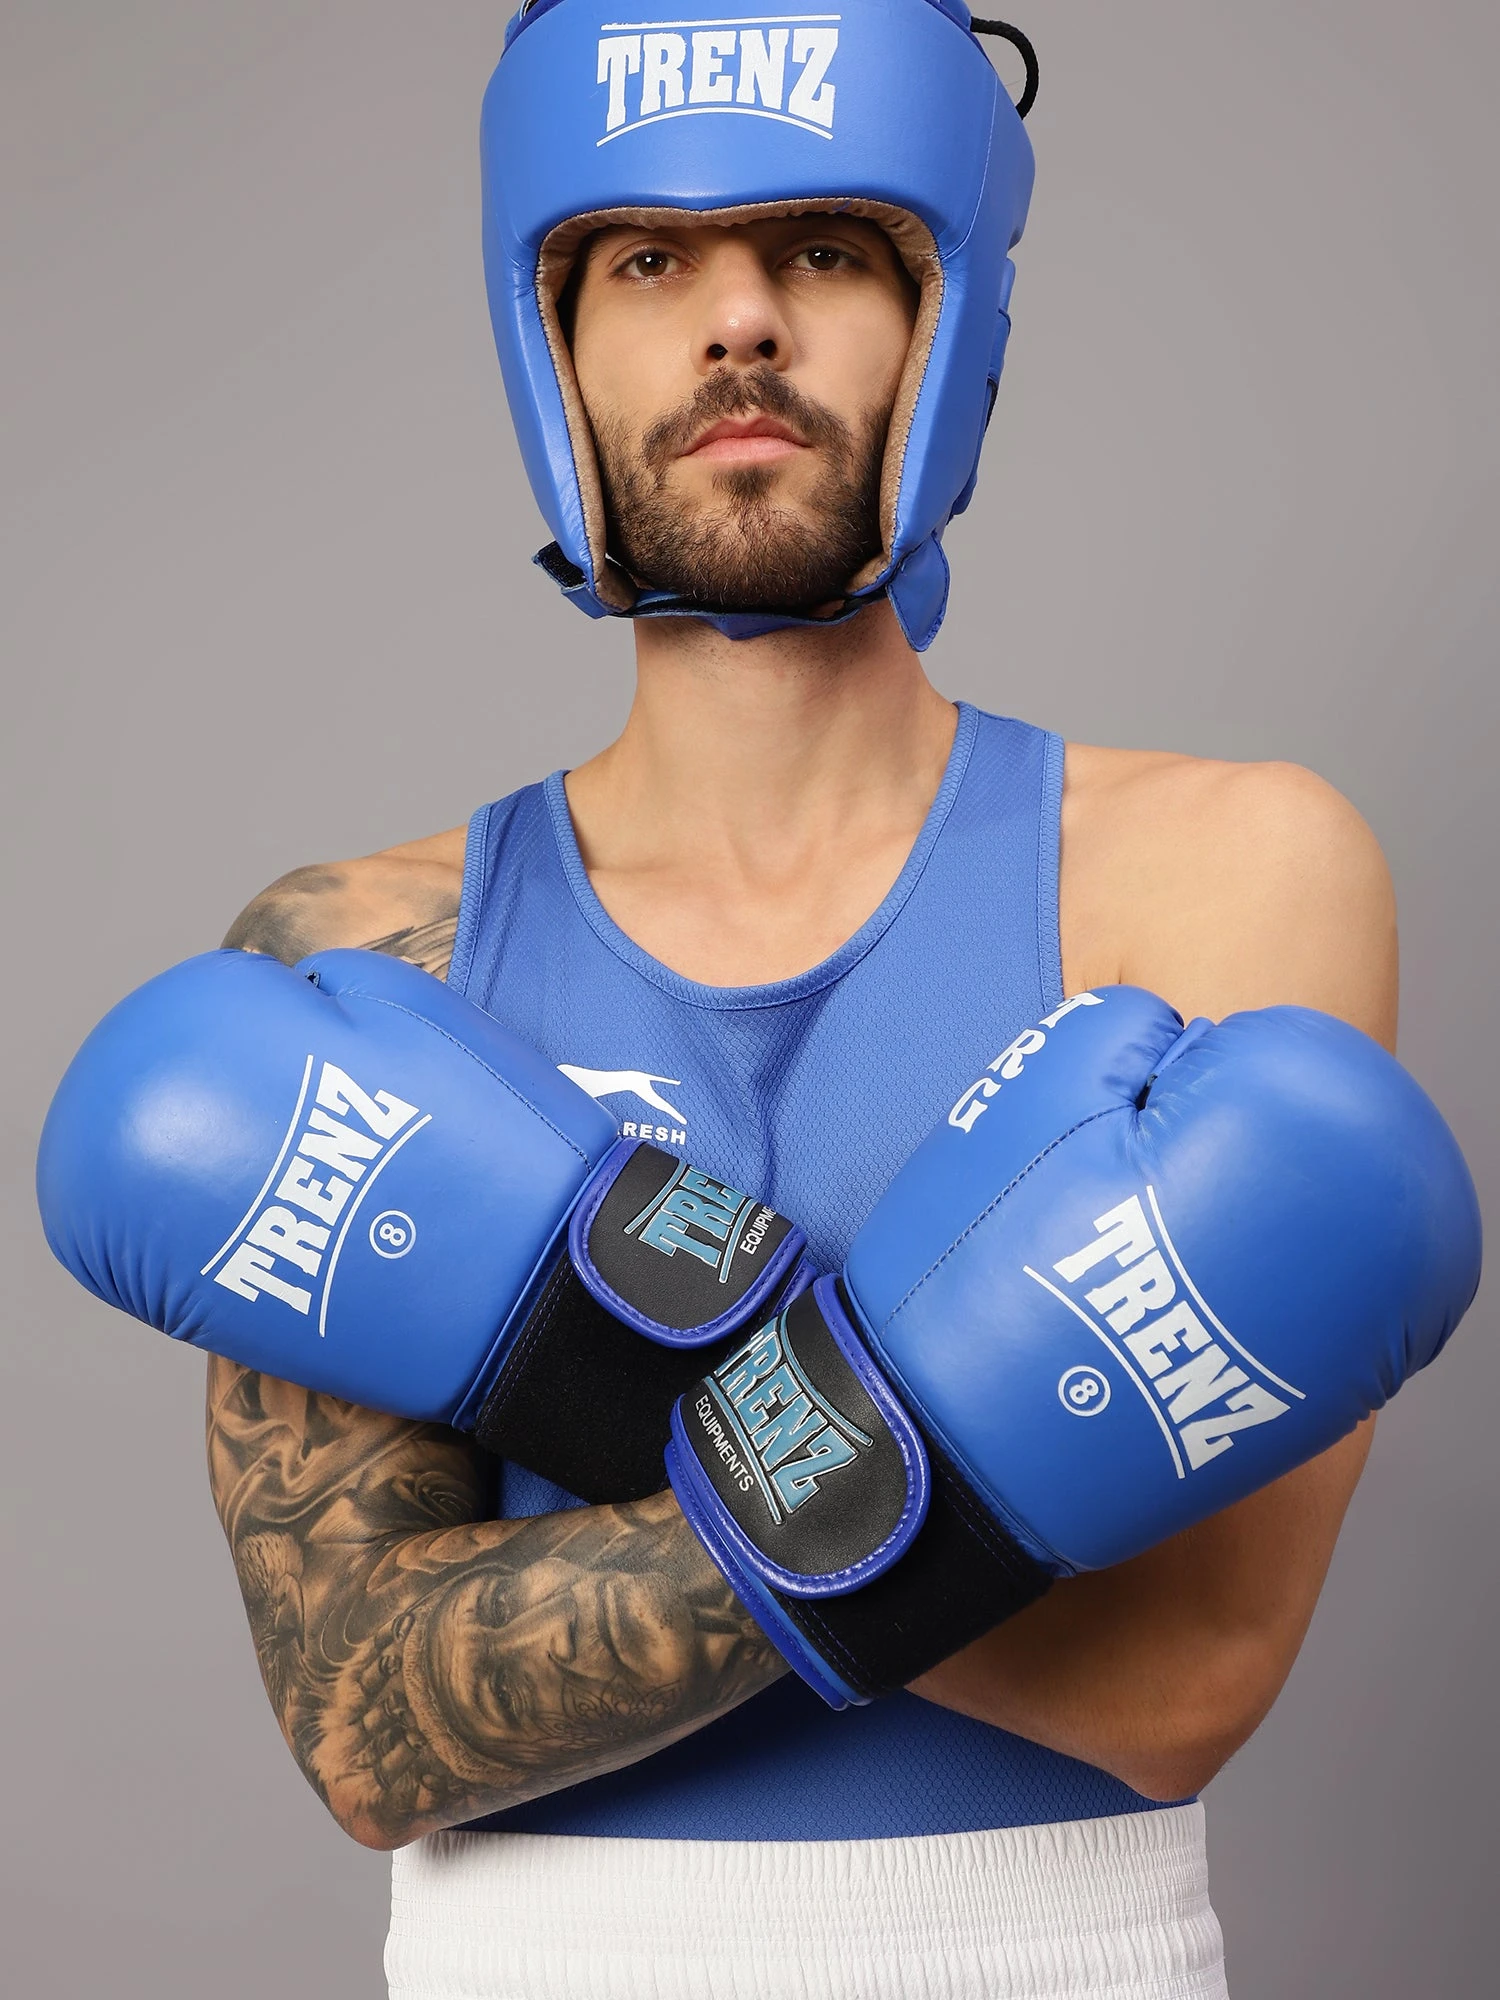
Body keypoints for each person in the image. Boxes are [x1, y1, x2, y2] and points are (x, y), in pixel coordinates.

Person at [201, 6, 1396, 1996]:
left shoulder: (1225, 870)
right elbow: (370, 1722)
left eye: (827, 247)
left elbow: (1181, 1679)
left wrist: (591, 1342)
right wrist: (877, 1428)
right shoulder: (362, 954)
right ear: (551, 342)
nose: (740, 321)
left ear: (949, 323)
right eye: (649, 260)